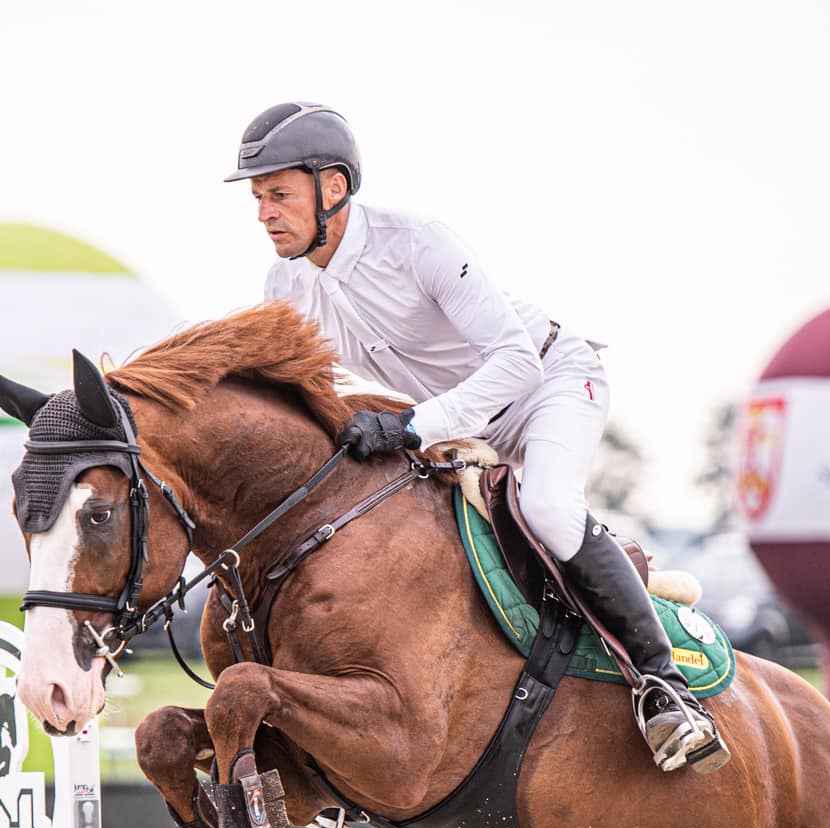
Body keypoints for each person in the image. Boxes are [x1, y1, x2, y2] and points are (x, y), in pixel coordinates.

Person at [226, 102, 728, 773]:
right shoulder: (284, 285)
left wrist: (410, 426)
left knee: (548, 505)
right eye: (258, 198)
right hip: (459, 423)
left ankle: (666, 691)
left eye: (279, 195)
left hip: (549, 384)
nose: (264, 213)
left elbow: (516, 362)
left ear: (334, 187)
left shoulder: (418, 243)